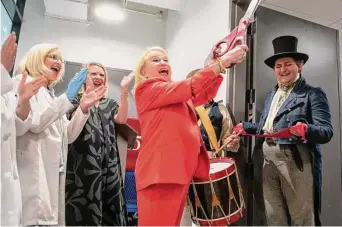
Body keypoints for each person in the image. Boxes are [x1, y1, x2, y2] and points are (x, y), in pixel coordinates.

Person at [133, 44, 248, 226]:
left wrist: (216, 66)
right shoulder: (146, 89)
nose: (163, 63)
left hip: (176, 174)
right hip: (159, 175)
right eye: (155, 60)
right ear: (143, 71)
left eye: (166, 60)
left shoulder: (172, 96)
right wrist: (221, 62)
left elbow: (203, 93)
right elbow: (192, 86)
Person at [236, 35, 333, 225]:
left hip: (295, 159)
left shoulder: (312, 93)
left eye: (287, 64)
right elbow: (268, 128)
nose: (282, 69)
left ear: (300, 66)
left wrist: (305, 130)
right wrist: (246, 127)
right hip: (266, 160)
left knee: (302, 218)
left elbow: (326, 132)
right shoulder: (272, 94)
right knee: (274, 217)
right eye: (278, 66)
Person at [14, 44, 107, 226]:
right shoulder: (24, 83)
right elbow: (34, 124)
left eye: (60, 59)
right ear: (37, 58)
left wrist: (82, 109)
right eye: (53, 56)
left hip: (50, 178)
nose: (59, 62)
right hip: (32, 177)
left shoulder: (49, 95)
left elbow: (68, 136)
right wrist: (66, 99)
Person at [65, 62, 133, 226]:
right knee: (82, 206)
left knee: (109, 208)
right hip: (83, 164)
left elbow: (121, 119)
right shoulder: (74, 100)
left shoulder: (108, 103)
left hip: (108, 165)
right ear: (84, 77)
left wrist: (124, 93)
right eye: (93, 74)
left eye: (101, 75)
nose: (98, 77)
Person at [0, 33, 47, 226]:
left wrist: (24, 102)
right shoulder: (15, 81)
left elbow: (15, 126)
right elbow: (35, 124)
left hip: (12, 189)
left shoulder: (11, 88)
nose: (58, 62)